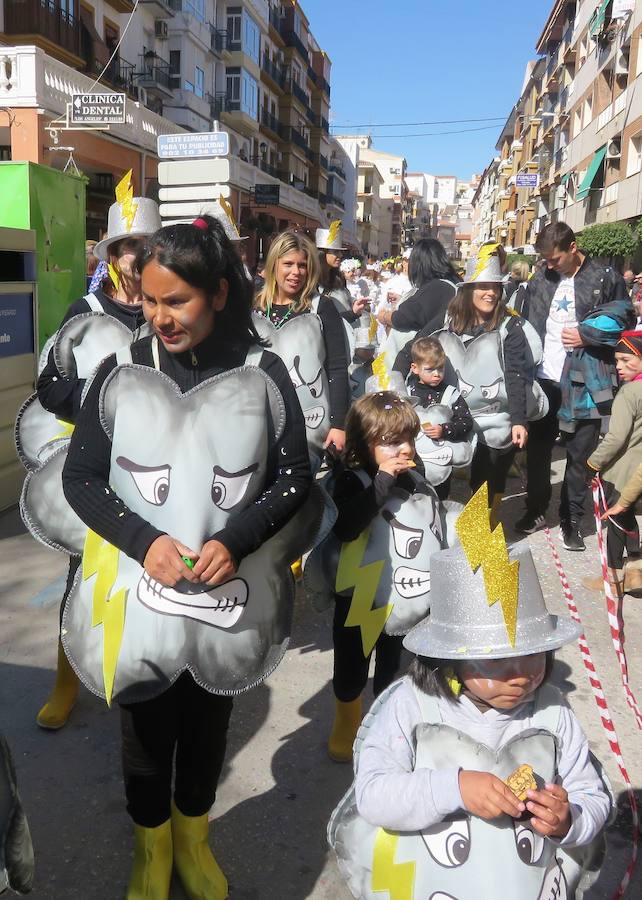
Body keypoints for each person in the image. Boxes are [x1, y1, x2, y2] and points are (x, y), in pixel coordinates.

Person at [61, 215, 312, 899]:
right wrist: (146, 542)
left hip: (226, 599)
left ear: (220, 294)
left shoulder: (265, 374)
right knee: (144, 728)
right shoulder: (121, 371)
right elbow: (79, 479)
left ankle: (192, 837)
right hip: (140, 603)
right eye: (148, 300)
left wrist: (236, 540)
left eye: (178, 301)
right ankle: (151, 849)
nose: (160, 317)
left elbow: (294, 478)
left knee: (207, 725)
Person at [328, 485, 611, 898]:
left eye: (534, 654)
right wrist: (453, 788)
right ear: (449, 660)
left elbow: (591, 793)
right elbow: (373, 795)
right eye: (497, 661)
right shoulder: (413, 707)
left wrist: (571, 821)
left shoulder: (552, 712)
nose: (521, 675)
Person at [32, 180, 161, 731]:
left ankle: (141, 674)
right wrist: (99, 399)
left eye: (142, 247)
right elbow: (48, 386)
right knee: (80, 575)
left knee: (152, 574)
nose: (133, 258)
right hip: (94, 470)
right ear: (110, 255)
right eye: (124, 247)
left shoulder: (168, 308)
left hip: (158, 472)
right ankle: (67, 682)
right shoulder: (82, 311)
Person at [323, 392, 435, 762]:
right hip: (360, 590)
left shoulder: (415, 477)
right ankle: (347, 719)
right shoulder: (350, 480)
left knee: (394, 663)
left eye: (408, 439)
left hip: (401, 592)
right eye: (390, 443)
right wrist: (382, 481)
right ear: (362, 443)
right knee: (351, 664)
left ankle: (388, 723)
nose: (403, 449)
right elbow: (346, 526)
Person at [517, 222, 633, 551]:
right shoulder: (540, 278)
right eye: (545, 260)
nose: (548, 265)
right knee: (538, 454)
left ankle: (571, 520)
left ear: (572, 248)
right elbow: (525, 323)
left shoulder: (605, 277)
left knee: (578, 456)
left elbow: (626, 321)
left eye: (554, 259)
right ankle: (536, 510)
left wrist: (588, 335)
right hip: (544, 382)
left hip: (586, 383)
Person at [434, 247, 534, 515]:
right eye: (483, 286)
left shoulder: (510, 327)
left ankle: (482, 540)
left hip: (495, 420)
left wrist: (518, 421)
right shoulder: (448, 320)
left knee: (486, 486)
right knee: (437, 474)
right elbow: (416, 347)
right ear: (468, 289)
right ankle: (439, 536)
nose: (491, 292)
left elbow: (516, 375)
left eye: (496, 287)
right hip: (454, 413)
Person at [255, 230, 351, 454]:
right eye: (288, 264)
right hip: (259, 417)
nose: (295, 272)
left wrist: (339, 424)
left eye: (302, 265)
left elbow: (337, 368)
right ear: (274, 265)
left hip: (309, 421)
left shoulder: (322, 308)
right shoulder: (254, 306)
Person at [582, 330, 642, 593]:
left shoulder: (629, 393)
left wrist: (593, 464)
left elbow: (616, 437)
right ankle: (637, 572)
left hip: (622, 472)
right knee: (627, 516)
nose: (618, 367)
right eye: (617, 361)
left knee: (616, 524)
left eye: (626, 360)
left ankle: (614, 579)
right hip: (639, 474)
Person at [407, 336, 474, 499]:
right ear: (415, 368)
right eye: (430, 369)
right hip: (411, 461)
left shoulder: (450, 394)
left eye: (440, 368)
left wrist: (444, 429)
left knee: (439, 500)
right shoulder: (407, 393)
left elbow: (466, 421)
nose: (437, 374)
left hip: (440, 462)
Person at [316, 221, 365, 317]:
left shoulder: (339, 278)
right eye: (335, 252)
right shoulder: (312, 280)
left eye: (340, 252)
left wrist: (355, 304)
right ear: (322, 254)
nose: (340, 255)